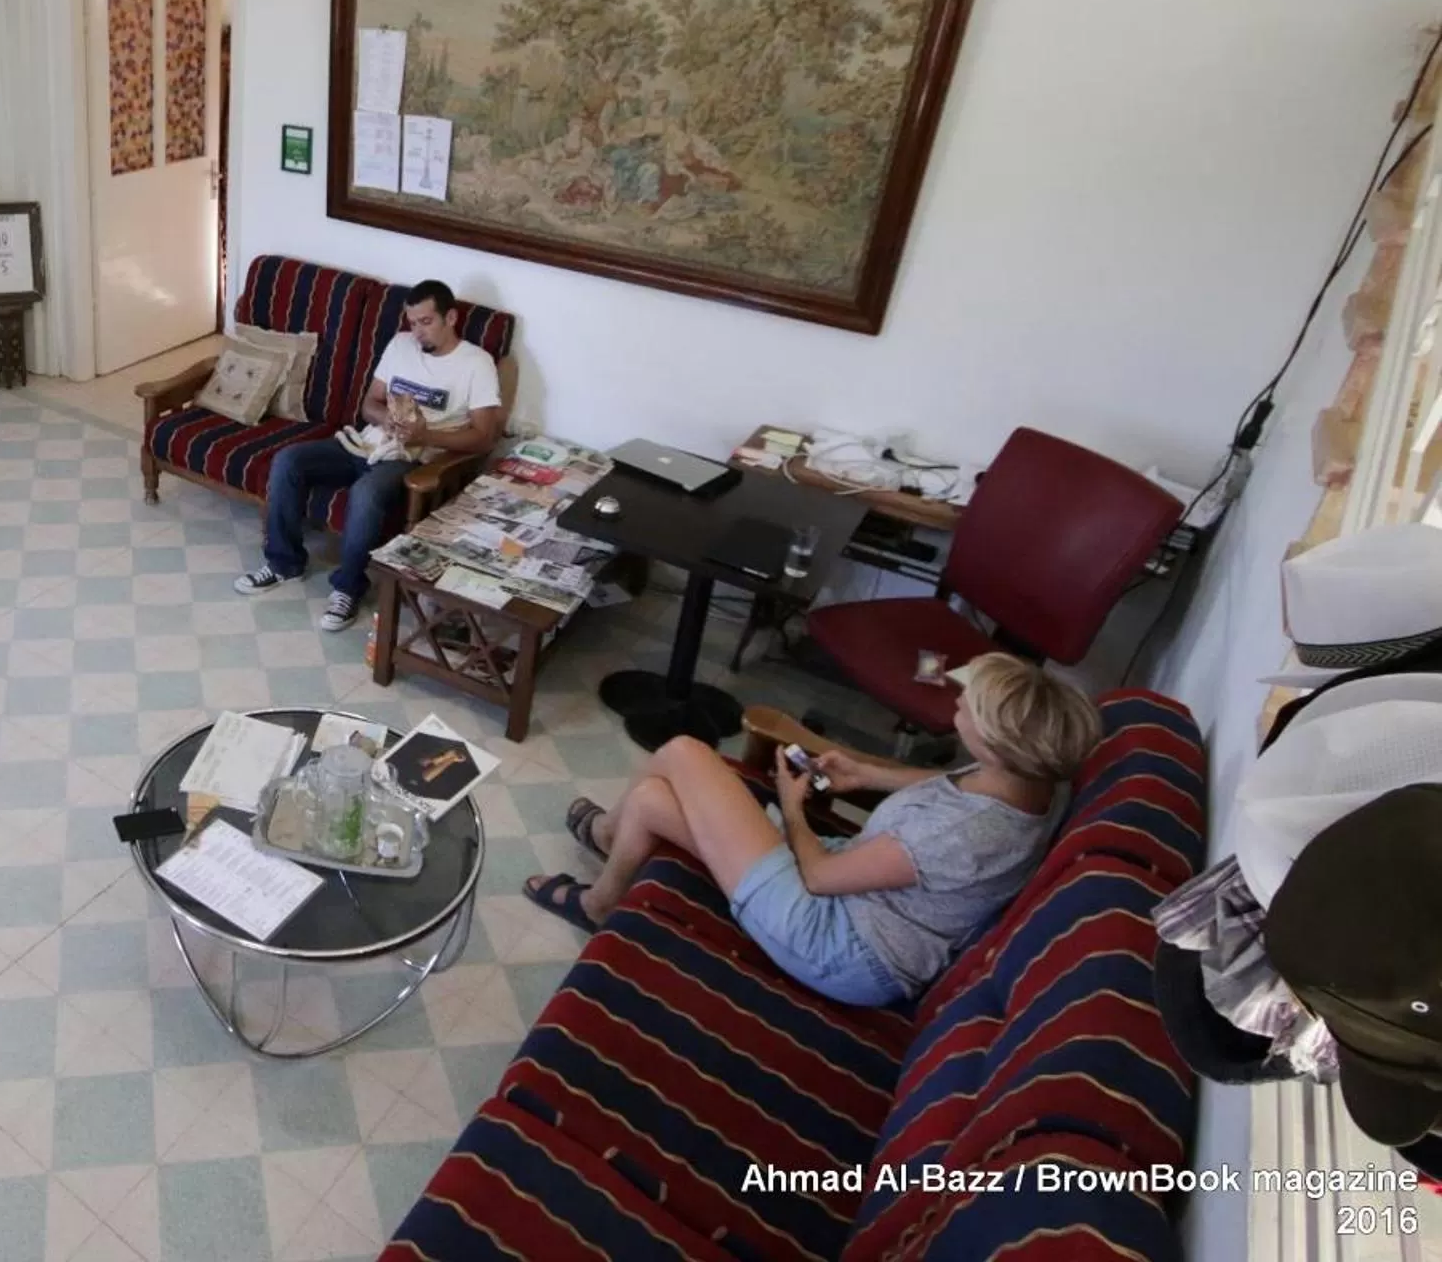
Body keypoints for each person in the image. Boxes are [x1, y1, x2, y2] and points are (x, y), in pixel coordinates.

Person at [524, 655, 1099, 1006]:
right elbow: (944, 783)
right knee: (651, 800)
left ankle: (605, 837)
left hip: (840, 943)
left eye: (969, 704)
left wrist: (791, 804)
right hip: (856, 881)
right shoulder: (1032, 777)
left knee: (681, 751)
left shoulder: (963, 837)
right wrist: (868, 771)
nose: (958, 700)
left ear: (995, 741)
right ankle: (604, 887)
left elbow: (821, 878)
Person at [233, 280, 504, 632]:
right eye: (412, 322)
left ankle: (348, 588)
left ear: (450, 317)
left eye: (426, 322)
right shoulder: (400, 345)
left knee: (367, 493)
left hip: (410, 457)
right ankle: (284, 563)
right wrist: (386, 419)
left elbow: (485, 437)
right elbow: (369, 404)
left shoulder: (476, 363)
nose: (417, 332)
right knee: (288, 460)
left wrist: (426, 435)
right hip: (365, 443)